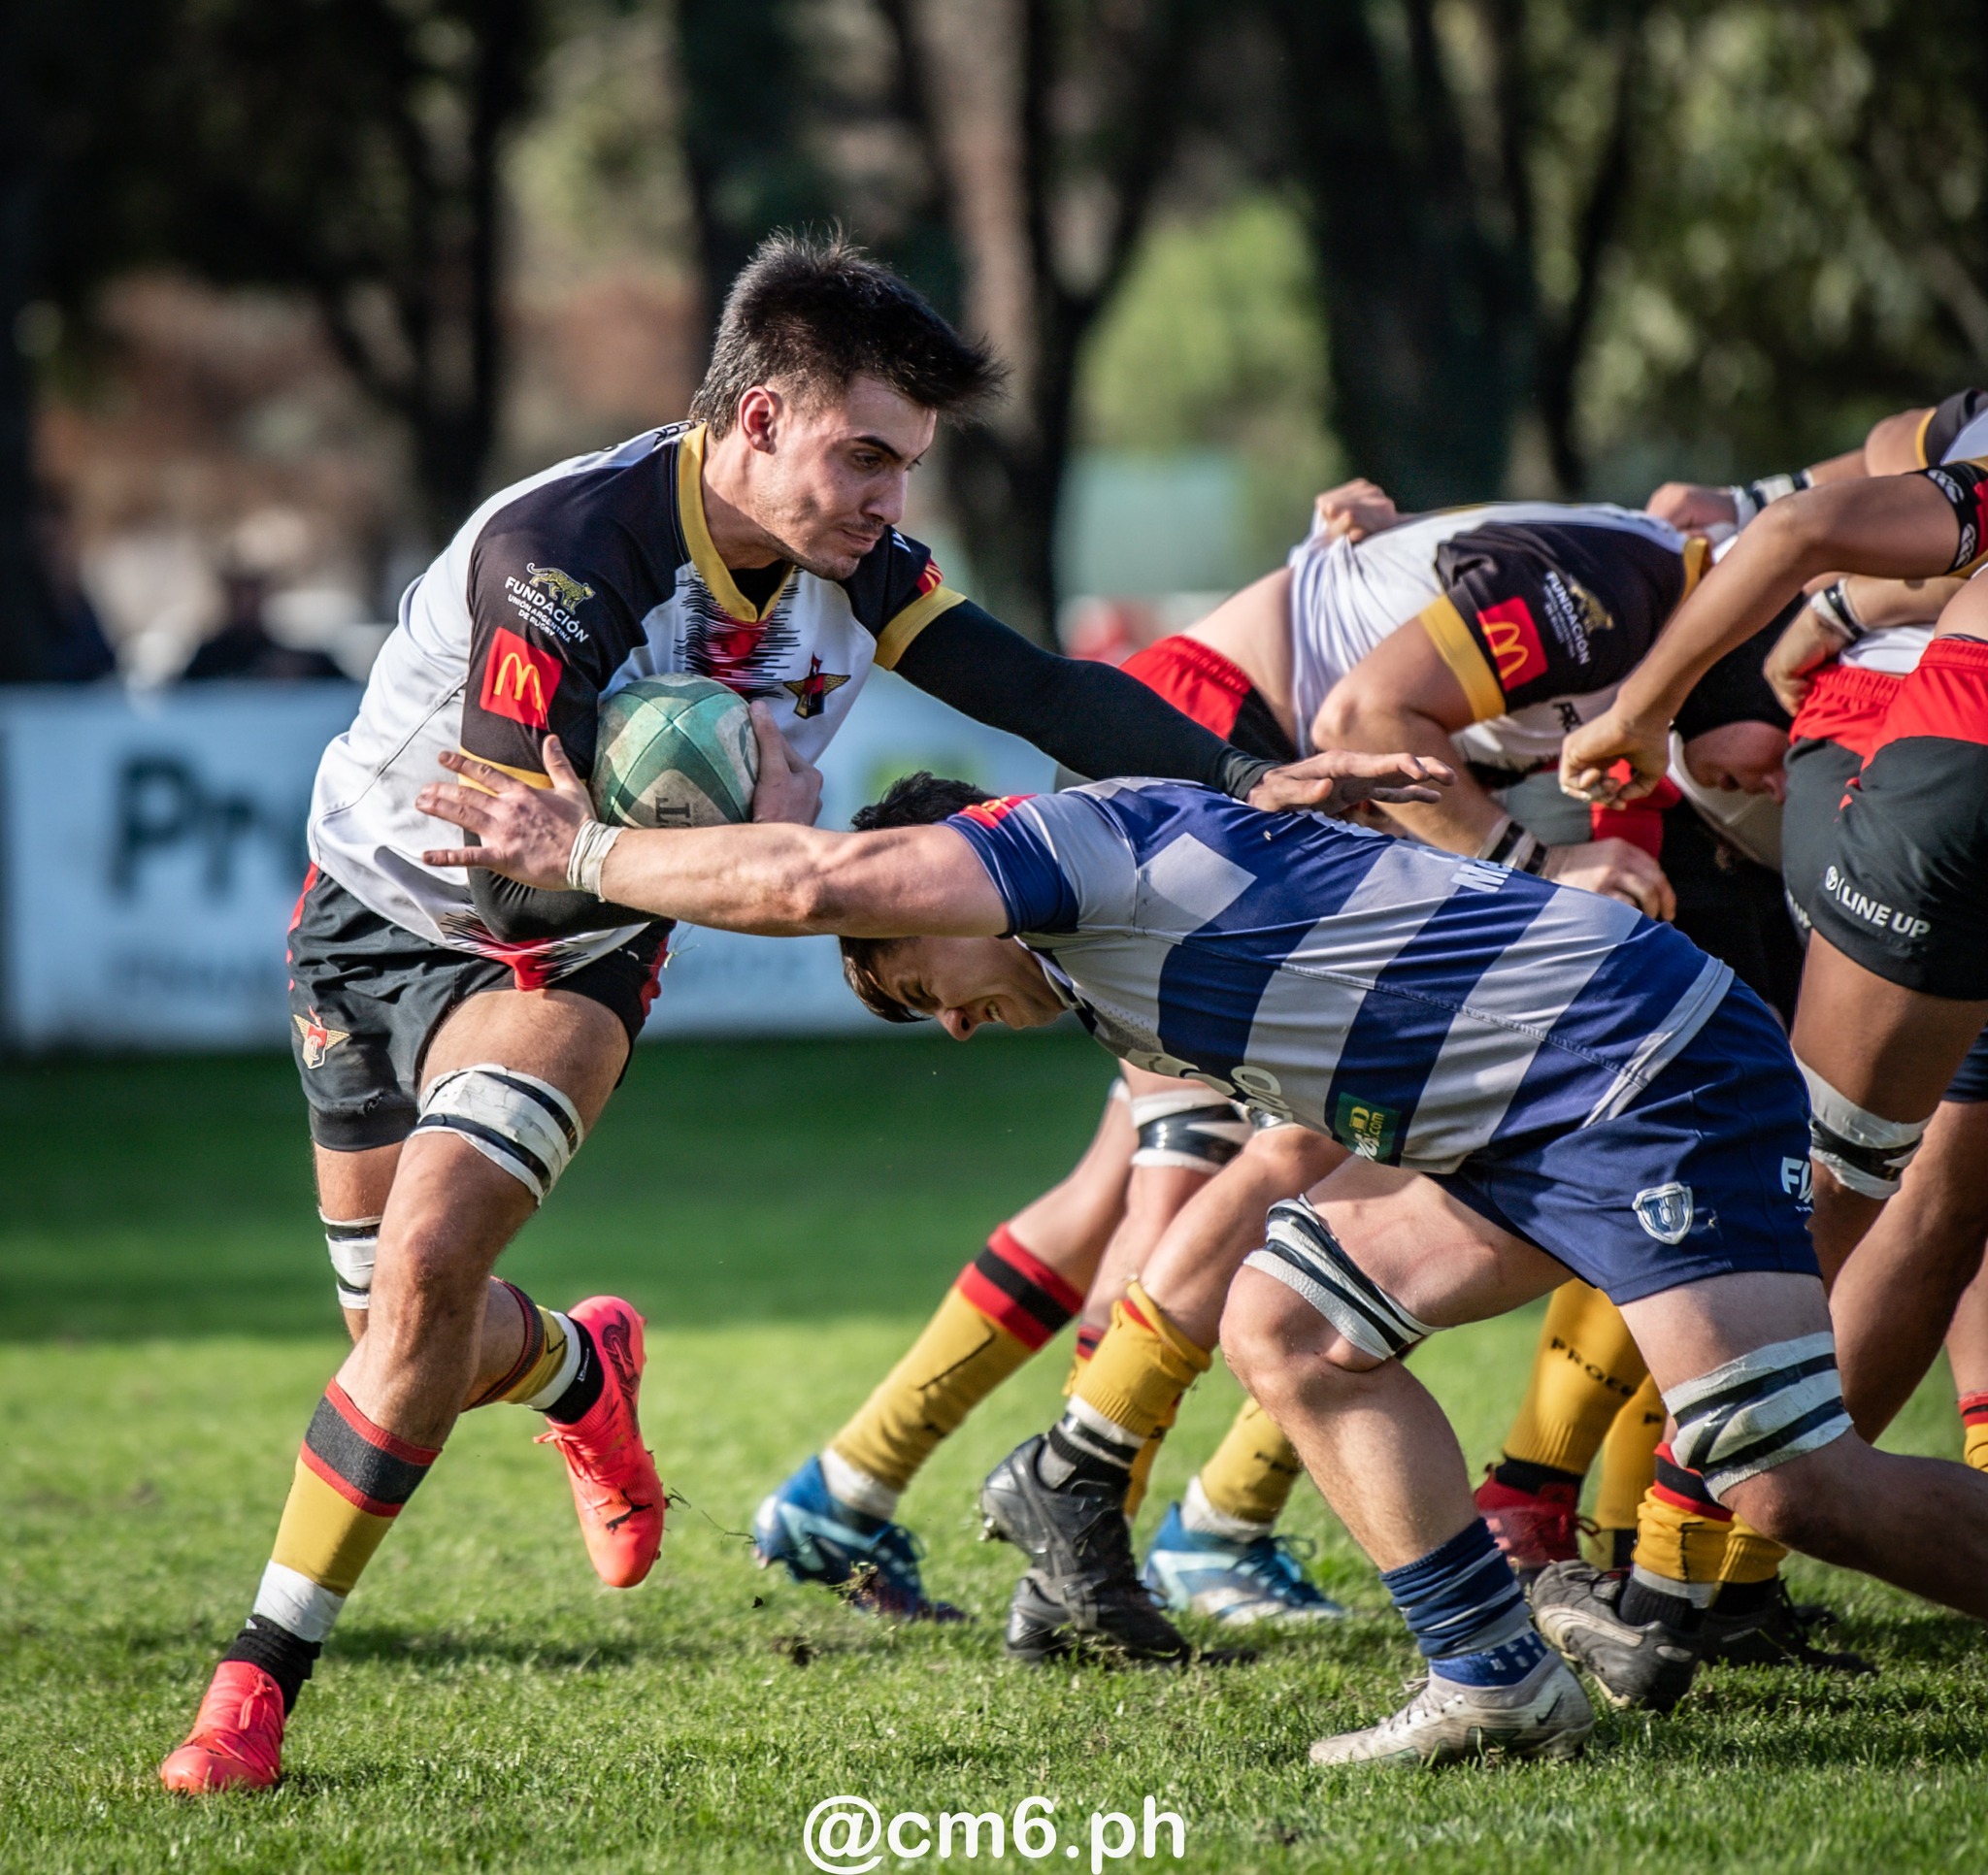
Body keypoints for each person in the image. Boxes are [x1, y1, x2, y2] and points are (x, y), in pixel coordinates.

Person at [155, 233, 1369, 1795]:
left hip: (567, 959)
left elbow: (1036, 687)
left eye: (908, 464)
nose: (888, 500)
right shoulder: (564, 557)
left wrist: (1252, 776)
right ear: (753, 420)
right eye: (864, 455)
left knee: (422, 1280)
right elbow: (511, 878)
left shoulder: (855, 566)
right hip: (377, 920)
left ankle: (249, 1694)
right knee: (409, 1341)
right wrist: (748, 798)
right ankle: (582, 1376)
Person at [422, 752, 1988, 1766]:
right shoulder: (1094, 935)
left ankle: (1511, 1662)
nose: (947, 1022)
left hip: (1623, 1064)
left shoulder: (1057, 846)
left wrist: (590, 847)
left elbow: (810, 879)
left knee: (1786, 1482)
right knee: (1291, 1316)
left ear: (952, 870)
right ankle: (1494, 1677)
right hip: (1522, 1108)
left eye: (916, 982)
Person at [751, 473, 1756, 1626]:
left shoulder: (1646, 599)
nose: (1770, 757)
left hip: (1240, 748)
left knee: (1197, 1163)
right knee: (1226, 1159)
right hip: (1224, 740)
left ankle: (901, 1487)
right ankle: (1120, 1514)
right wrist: (1533, 869)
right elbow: (1368, 713)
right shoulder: (1635, 584)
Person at [1544, 447, 1988, 1708]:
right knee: (1925, 1195)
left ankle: (1667, 1586)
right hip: (1909, 777)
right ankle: (1698, 1578)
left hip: (1936, 769)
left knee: (1834, 1187)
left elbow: (1809, 524)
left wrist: (1640, 708)